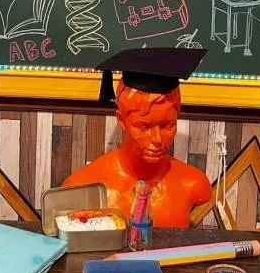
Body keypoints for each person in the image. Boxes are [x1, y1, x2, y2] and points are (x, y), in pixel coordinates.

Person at [63, 48, 212, 227]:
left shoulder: (193, 183)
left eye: (167, 125)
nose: (157, 139)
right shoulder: (83, 186)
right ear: (121, 121)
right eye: (144, 127)